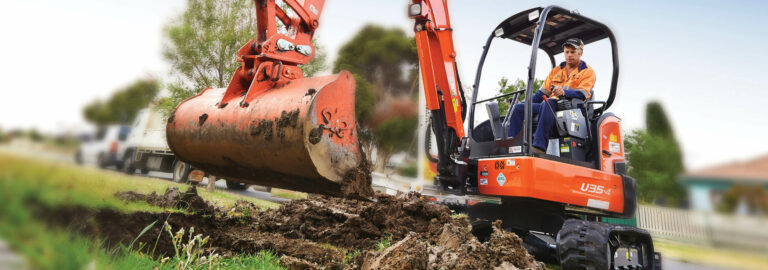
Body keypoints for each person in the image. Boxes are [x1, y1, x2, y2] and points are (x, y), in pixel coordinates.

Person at [506, 38, 596, 154]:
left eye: (572, 52)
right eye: (566, 52)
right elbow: (541, 94)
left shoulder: (587, 71)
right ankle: (513, 148)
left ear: (580, 53)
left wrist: (565, 92)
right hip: (549, 105)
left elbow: (582, 93)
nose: (569, 55)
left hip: (572, 108)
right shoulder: (556, 71)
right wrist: (523, 103)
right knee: (518, 109)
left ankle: (539, 146)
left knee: (547, 103)